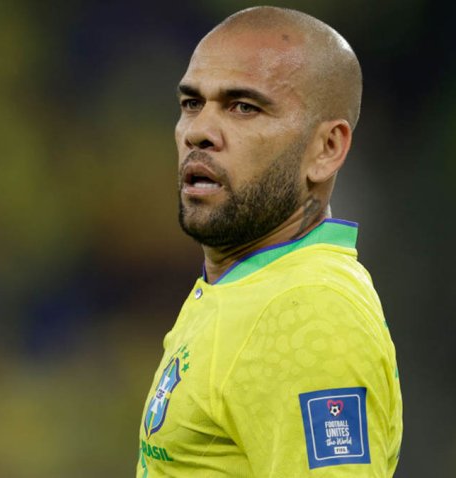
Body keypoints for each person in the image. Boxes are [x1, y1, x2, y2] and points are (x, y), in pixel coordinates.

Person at [137, 6, 402, 477]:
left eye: (244, 107)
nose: (198, 131)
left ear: (327, 149)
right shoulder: (249, 286)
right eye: (192, 104)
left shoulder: (307, 314)